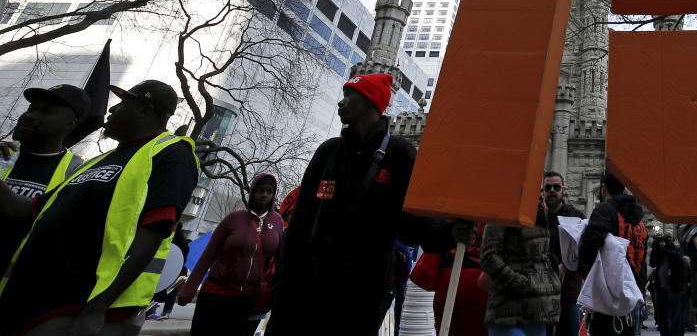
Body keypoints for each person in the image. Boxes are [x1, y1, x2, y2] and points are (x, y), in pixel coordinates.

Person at [0, 79, 199, 335]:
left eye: (122, 102)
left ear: (142, 109)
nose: (112, 110)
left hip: (77, 307)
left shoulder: (172, 153)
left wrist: (97, 309)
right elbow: (31, 210)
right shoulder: (97, 162)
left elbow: (154, 232)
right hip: (31, 299)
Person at [266, 73, 455, 336]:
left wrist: (451, 232)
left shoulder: (399, 154)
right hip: (304, 289)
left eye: (349, 96)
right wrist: (281, 284)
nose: (341, 103)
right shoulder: (328, 152)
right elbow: (299, 223)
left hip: (360, 293)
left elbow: (413, 222)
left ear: (370, 103)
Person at [178, 173, 284, 335]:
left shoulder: (277, 222)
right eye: (260, 190)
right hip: (217, 293)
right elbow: (208, 255)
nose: (264, 195)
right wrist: (190, 288)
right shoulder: (234, 218)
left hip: (250, 299)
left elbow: (279, 259)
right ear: (253, 192)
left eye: (269, 191)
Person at [0, 84, 90, 269]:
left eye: (46, 111)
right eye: (31, 109)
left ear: (70, 124)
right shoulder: (3, 155)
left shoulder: (77, 174)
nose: (30, 115)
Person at [578, 171, 648, 336]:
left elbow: (588, 247)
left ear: (603, 188)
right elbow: (643, 258)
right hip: (634, 296)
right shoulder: (639, 219)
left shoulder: (605, 210)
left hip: (610, 300)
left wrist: (585, 272)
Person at [480, 207, 560, 336]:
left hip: (539, 309)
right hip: (508, 309)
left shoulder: (540, 211)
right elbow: (488, 257)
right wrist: (519, 282)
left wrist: (551, 282)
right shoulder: (503, 209)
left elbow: (543, 255)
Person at [541, 171, 585, 336]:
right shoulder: (537, 218)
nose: (552, 190)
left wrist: (567, 265)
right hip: (541, 296)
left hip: (568, 296)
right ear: (543, 191)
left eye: (556, 187)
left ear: (563, 190)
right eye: (548, 187)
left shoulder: (576, 216)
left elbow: (586, 250)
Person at [650, 234, 689, 336]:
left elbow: (678, 259)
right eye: (666, 239)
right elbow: (652, 263)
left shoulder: (677, 250)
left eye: (669, 238)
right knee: (662, 319)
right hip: (660, 289)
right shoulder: (660, 252)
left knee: (675, 320)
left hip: (674, 289)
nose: (667, 241)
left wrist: (664, 249)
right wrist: (656, 244)